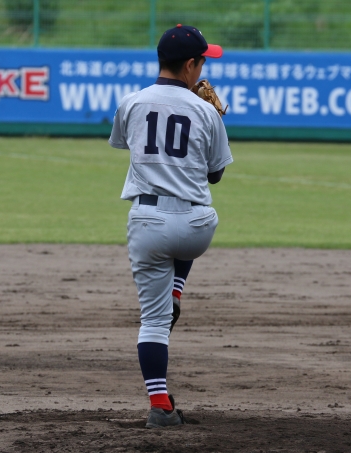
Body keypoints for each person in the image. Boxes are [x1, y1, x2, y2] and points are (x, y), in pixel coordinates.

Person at [108, 24, 233, 428]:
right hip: (197, 227)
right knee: (198, 224)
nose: (204, 69)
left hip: (148, 222)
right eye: (203, 62)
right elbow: (215, 175)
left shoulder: (131, 102)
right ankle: (177, 288)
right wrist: (209, 119)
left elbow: (129, 144)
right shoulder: (206, 111)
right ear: (191, 64)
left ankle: (160, 406)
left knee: (154, 323)